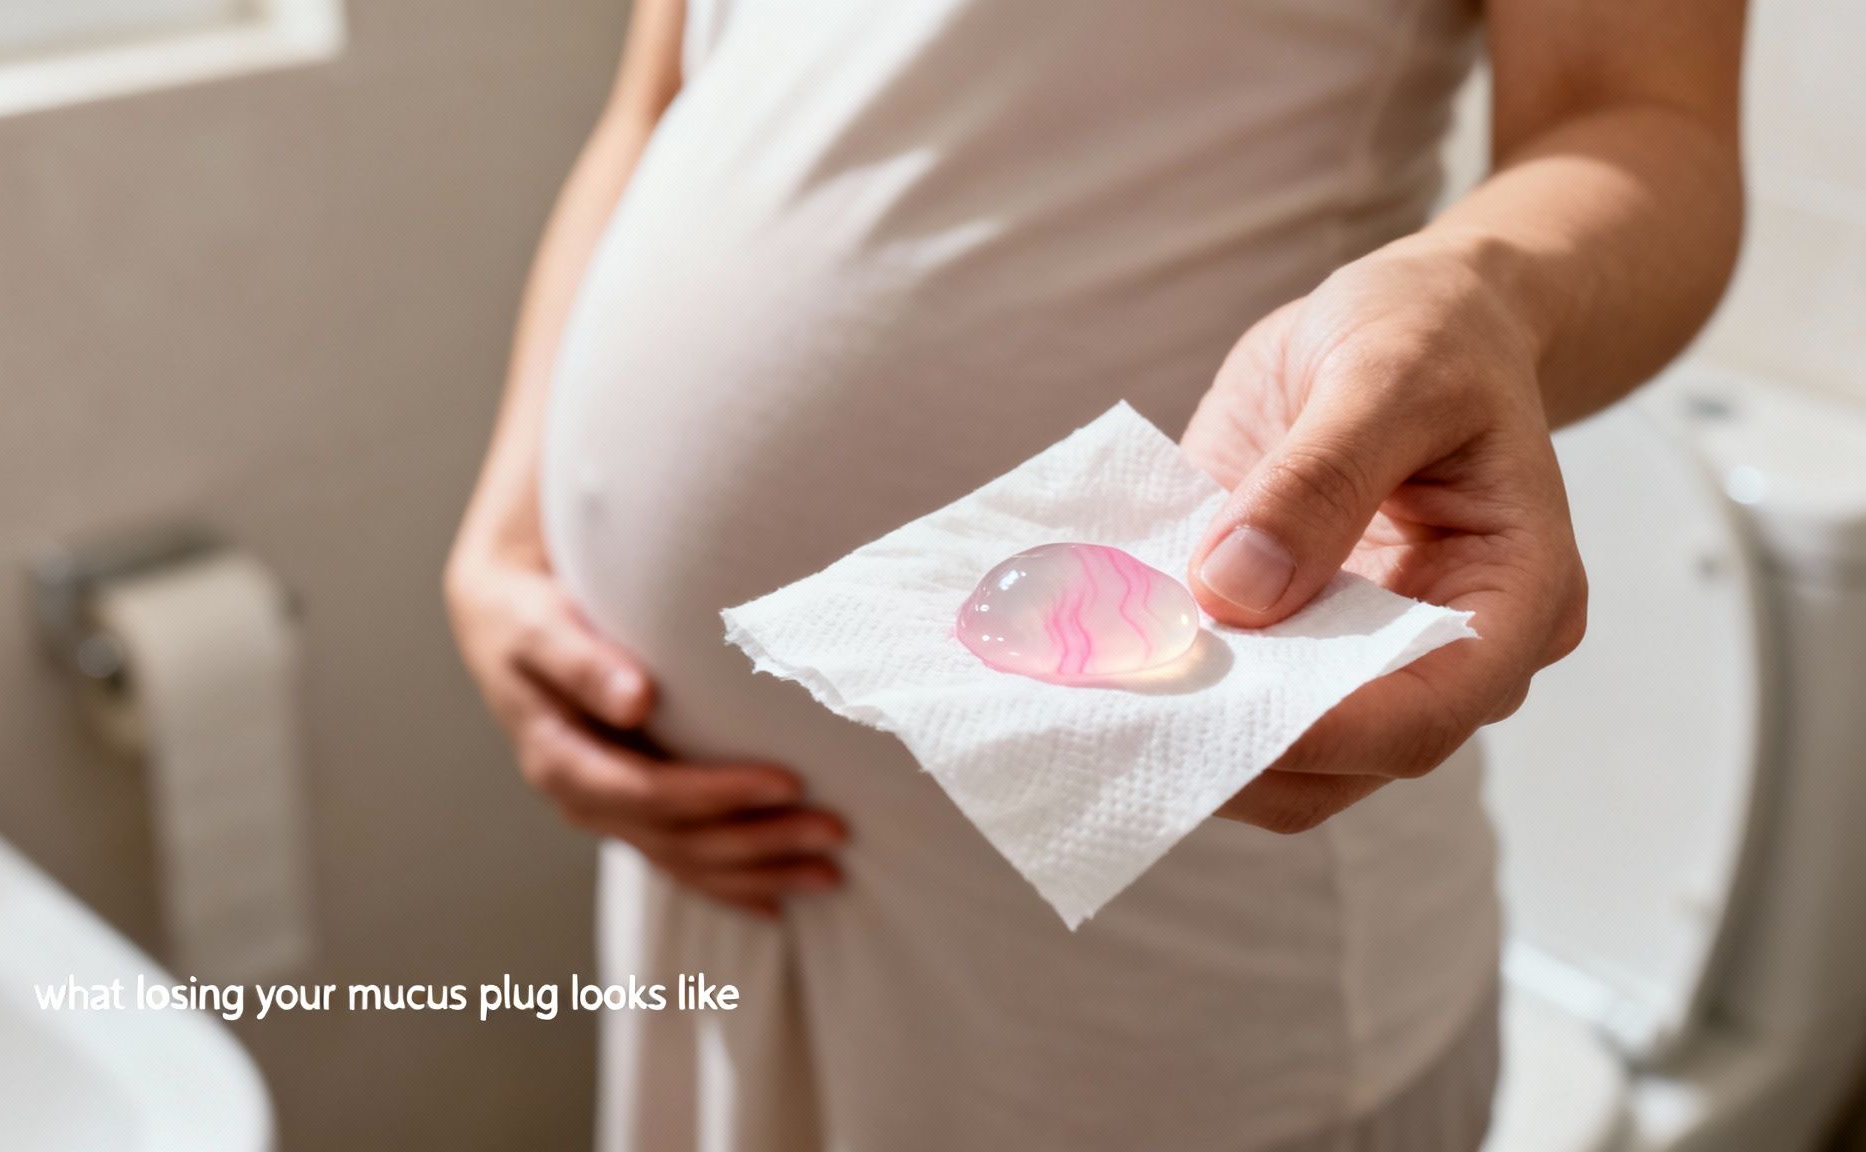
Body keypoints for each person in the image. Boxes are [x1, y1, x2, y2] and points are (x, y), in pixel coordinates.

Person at [446, 0, 1745, 1147]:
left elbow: (1645, 122)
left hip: (1168, 955)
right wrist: (513, 519)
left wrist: (1482, 300)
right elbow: (662, 100)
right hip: (701, 892)